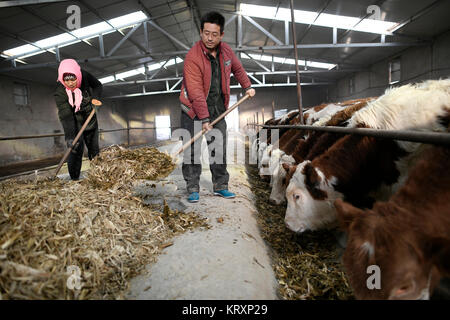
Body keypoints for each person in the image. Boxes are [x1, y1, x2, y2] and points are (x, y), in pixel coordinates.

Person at [179, 11, 256, 203]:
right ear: (200, 32)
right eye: (206, 33)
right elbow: (196, 92)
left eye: (214, 34)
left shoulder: (227, 51)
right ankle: (192, 187)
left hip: (218, 107)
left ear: (221, 35)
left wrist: (247, 86)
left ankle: (220, 185)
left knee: (218, 147)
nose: (209, 38)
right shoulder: (192, 58)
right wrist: (204, 120)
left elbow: (237, 68)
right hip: (193, 110)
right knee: (192, 151)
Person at [54, 59, 102, 180]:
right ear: (62, 79)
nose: (70, 83)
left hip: (89, 116)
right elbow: (66, 116)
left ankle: (98, 174)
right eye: (67, 80)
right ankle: (74, 178)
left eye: (73, 79)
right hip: (74, 120)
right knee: (75, 148)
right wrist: (69, 137)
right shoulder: (60, 92)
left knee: (94, 148)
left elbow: (97, 85)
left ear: (78, 75)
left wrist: (95, 99)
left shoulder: (84, 75)